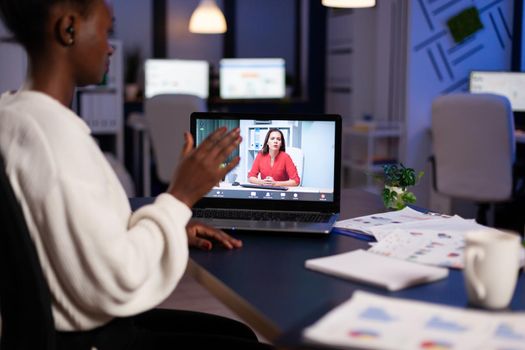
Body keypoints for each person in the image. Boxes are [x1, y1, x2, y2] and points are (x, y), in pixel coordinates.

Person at [0, 0, 272, 348]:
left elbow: (73, 229)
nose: (110, 47)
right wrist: (180, 197)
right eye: (105, 31)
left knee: (239, 334)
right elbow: (120, 279)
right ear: (68, 28)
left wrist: (167, 225)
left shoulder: (13, 115)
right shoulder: (55, 138)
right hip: (92, 337)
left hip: (57, 328)